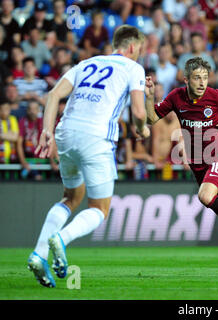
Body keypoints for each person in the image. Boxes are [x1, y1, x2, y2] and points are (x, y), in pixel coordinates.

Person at [27, 25, 150, 288]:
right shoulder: (133, 68)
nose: (139, 54)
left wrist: (46, 132)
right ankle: (61, 239)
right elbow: (139, 113)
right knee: (99, 208)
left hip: (66, 133)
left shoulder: (87, 63)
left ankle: (39, 254)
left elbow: (53, 95)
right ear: (131, 47)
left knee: (71, 197)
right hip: (96, 137)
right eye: (139, 49)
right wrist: (142, 129)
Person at [145, 57, 218, 264]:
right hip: (197, 162)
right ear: (186, 79)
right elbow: (151, 118)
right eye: (197, 78)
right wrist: (148, 97)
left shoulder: (215, 96)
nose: (202, 83)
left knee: (205, 196)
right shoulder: (176, 97)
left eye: (205, 78)